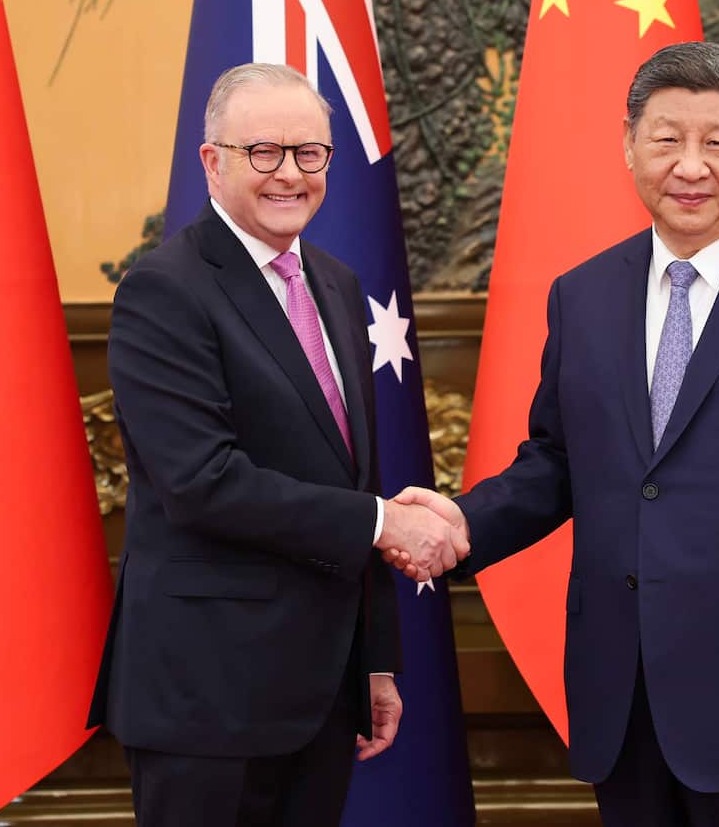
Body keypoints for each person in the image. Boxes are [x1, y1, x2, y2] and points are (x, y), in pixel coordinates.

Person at [394, 42, 719, 826]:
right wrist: (463, 522)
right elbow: (560, 462)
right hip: (626, 696)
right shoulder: (584, 295)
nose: (691, 166)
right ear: (630, 146)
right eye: (668, 139)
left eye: (718, 141)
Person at [86, 62, 468, 827]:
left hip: (321, 692)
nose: (289, 174)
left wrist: (374, 660)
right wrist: (386, 522)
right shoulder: (165, 290)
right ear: (213, 161)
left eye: (310, 154)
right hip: (206, 700)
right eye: (264, 152)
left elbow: (354, 471)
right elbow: (202, 481)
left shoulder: (334, 281)